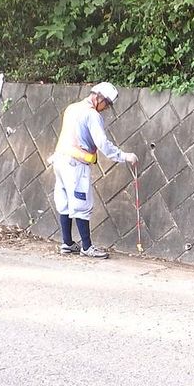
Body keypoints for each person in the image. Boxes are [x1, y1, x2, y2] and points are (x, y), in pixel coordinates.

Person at [50, 82, 138, 259]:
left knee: (65, 201)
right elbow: (102, 144)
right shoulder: (92, 115)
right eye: (106, 103)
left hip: (60, 160)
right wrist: (124, 156)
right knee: (82, 204)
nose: (106, 108)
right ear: (98, 97)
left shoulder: (72, 108)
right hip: (76, 164)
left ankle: (67, 243)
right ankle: (87, 247)